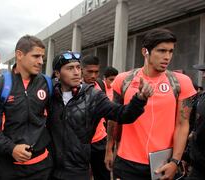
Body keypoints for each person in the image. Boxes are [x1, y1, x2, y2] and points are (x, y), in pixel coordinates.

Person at [106, 28, 196, 179]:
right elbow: (114, 118)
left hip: (163, 163)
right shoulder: (123, 80)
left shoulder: (181, 82)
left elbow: (182, 124)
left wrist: (175, 161)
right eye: (161, 51)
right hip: (126, 162)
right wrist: (109, 149)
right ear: (145, 52)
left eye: (170, 51)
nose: (167, 57)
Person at [47, 51, 153, 180]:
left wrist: (140, 99)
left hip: (77, 171)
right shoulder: (49, 95)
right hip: (49, 169)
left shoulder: (93, 96)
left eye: (78, 67)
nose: (76, 72)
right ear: (57, 73)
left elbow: (123, 114)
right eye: (70, 68)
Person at [0, 35, 53, 179]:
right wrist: (11, 148)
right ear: (19, 55)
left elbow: (53, 120)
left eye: (42, 57)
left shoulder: (47, 84)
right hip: (7, 166)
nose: (41, 61)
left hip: (42, 167)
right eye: (36, 56)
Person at [81, 55, 110, 180]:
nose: (93, 75)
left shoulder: (101, 85)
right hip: (80, 142)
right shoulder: (72, 85)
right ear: (82, 70)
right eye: (90, 72)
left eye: (96, 72)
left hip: (100, 140)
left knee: (103, 175)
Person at [184, 63, 205, 180]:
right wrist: (188, 156)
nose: (203, 76)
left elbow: (198, 132)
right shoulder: (201, 98)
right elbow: (195, 128)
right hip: (197, 162)